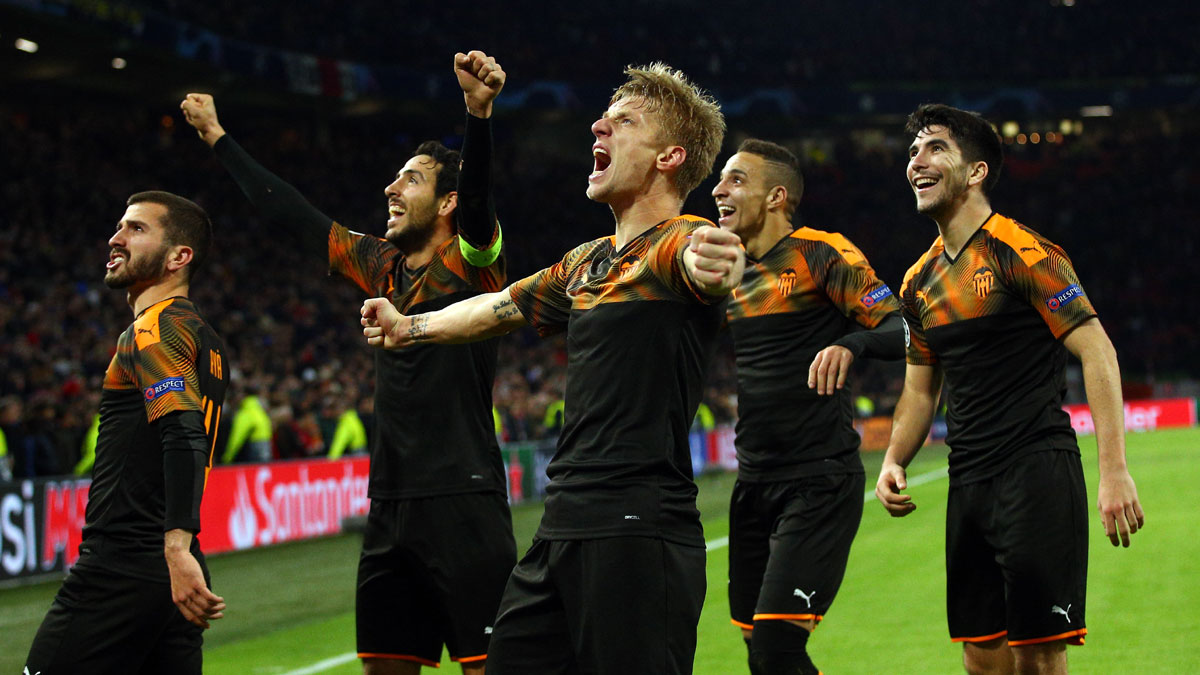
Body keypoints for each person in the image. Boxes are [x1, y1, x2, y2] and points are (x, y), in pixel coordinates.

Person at [361, 63, 741, 675]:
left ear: (669, 157)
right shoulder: (586, 263)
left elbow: (706, 264)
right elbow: (495, 308)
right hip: (561, 524)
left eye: (624, 122)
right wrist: (408, 327)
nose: (598, 127)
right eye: (604, 118)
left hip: (637, 527)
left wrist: (719, 266)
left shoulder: (681, 240)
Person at [181, 50, 514, 674]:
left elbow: (479, 199)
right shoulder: (381, 266)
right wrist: (219, 138)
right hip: (388, 503)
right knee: (384, 665)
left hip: (463, 498)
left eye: (411, 180)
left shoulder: (474, 264)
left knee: (489, 665)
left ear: (447, 203)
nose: (391, 188)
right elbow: (293, 214)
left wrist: (478, 115)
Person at [875, 104, 1145, 674]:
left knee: (1038, 657)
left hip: (1035, 472)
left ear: (976, 172)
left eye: (935, 148)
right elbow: (920, 392)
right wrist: (894, 458)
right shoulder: (918, 281)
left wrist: (1114, 471)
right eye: (913, 151)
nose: (916, 161)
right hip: (968, 482)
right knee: (981, 657)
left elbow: (1098, 351)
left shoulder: (1024, 252)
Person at [711, 139, 905, 675]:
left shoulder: (821, 253)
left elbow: (902, 329)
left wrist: (852, 343)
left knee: (776, 647)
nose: (719, 189)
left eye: (735, 179)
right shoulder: (726, 270)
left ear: (776, 197)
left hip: (818, 481)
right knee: (760, 652)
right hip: (753, 484)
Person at [25, 191, 228, 674]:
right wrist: (181, 548)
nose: (116, 238)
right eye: (120, 226)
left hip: (122, 565)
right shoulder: (205, 337)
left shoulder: (152, 330)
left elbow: (183, 432)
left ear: (179, 257)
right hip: (168, 568)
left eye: (136, 229)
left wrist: (176, 545)